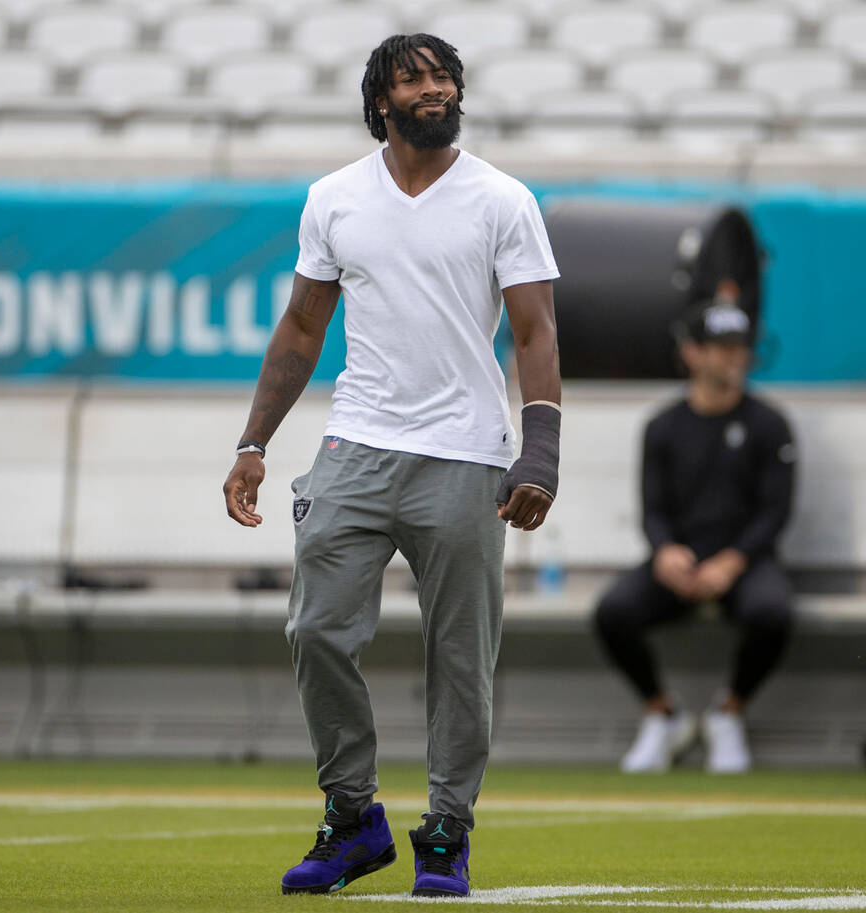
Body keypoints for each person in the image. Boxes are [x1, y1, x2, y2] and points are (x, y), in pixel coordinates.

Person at [221, 34, 561, 898]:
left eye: (445, 76)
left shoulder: (503, 199)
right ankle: (353, 815)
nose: (435, 89)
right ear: (380, 103)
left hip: (465, 454)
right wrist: (253, 443)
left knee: (459, 656)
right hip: (358, 445)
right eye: (414, 80)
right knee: (315, 630)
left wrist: (542, 451)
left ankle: (447, 828)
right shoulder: (334, 199)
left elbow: (535, 332)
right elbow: (301, 329)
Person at [594, 298, 796, 774]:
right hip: (681, 561)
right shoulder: (663, 427)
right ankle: (664, 714)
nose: (732, 357)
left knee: (772, 612)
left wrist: (734, 560)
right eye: (719, 347)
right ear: (693, 354)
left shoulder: (770, 425)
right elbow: (653, 509)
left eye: (739, 347)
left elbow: (776, 511)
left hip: (745, 562)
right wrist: (665, 552)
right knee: (613, 612)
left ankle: (729, 713)